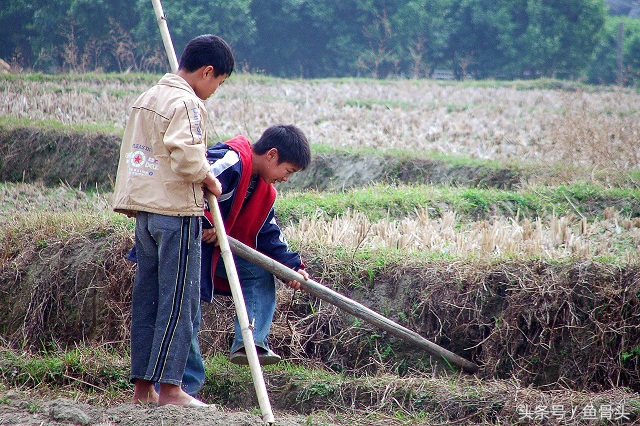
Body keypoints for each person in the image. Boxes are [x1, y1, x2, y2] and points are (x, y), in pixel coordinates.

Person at [112, 34, 234, 408]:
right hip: (176, 214)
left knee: (148, 299)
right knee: (179, 302)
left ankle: (142, 389)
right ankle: (171, 389)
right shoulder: (188, 103)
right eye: (219, 82)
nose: (214, 91)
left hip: (145, 214)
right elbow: (186, 157)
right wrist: (210, 178)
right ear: (207, 72)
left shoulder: (147, 98)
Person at [183, 124, 312, 394]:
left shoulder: (264, 192)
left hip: (217, 249)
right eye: (287, 171)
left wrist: (292, 268)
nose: (286, 178)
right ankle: (184, 388)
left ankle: (249, 341)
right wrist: (206, 223)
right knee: (187, 314)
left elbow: (268, 234)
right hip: (188, 247)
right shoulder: (229, 161)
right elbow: (188, 185)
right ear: (272, 155)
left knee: (257, 271)